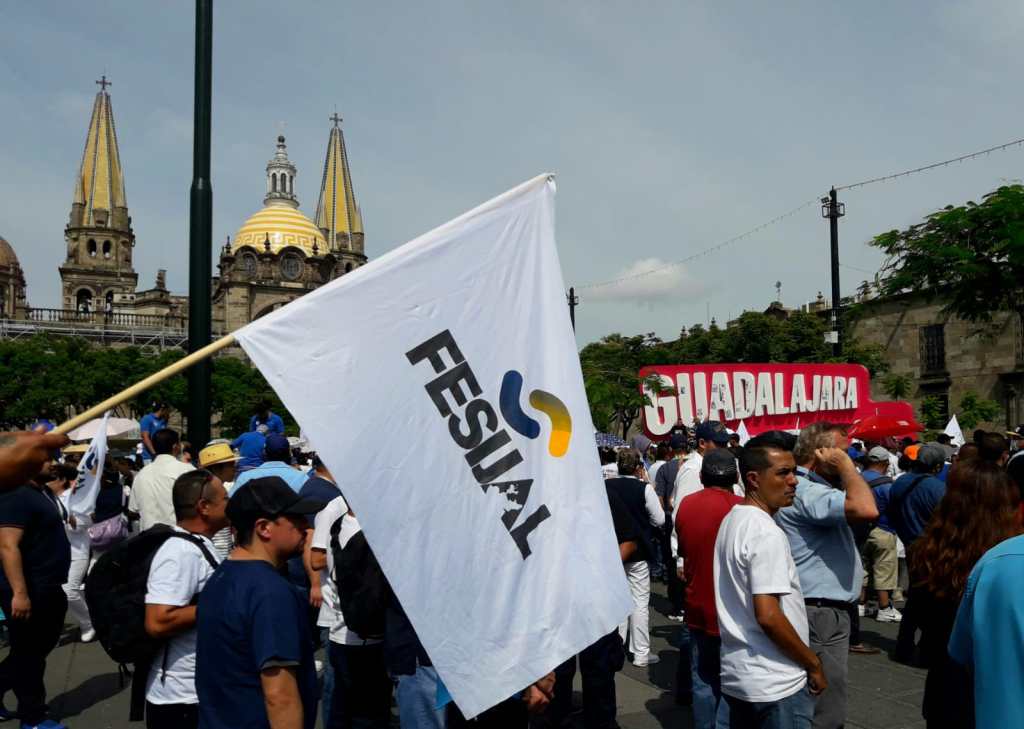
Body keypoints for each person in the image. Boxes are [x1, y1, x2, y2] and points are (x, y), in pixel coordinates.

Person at [195, 476, 322, 729]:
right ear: (264, 528)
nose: (306, 527)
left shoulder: (221, 576)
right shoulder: (271, 592)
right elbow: (280, 696)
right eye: (295, 519)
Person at [715, 439, 825, 728]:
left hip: (741, 675)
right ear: (753, 479)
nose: (793, 481)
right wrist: (813, 663)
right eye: (783, 473)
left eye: (794, 472)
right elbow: (769, 615)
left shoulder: (733, 519)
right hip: (776, 682)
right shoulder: (766, 532)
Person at [775, 422, 877, 729]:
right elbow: (867, 509)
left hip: (818, 609)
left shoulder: (808, 488)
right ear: (822, 455)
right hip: (821, 612)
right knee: (826, 705)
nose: (850, 459)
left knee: (816, 696)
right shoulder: (808, 491)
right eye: (843, 453)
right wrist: (846, 468)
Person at [909, 460, 1020, 729]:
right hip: (993, 683)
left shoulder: (926, 551)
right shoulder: (1005, 559)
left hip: (943, 680)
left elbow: (921, 614)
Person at [143, 470, 228, 729]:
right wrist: (221, 605)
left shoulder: (197, 545)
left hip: (198, 690)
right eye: (225, 498)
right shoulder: (180, 552)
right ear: (204, 507)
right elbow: (158, 621)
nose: (230, 503)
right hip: (180, 700)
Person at [548, 485, 637, 729]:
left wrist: (600, 570)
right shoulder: (542, 493)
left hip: (596, 602)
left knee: (599, 672)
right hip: (555, 602)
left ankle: (600, 721)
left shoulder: (601, 494)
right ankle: (557, 718)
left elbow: (629, 541)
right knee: (557, 673)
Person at [310, 494, 393, 729]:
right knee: (368, 714)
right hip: (367, 637)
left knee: (342, 709)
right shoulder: (371, 528)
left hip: (343, 631)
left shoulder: (339, 524)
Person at [0, 460, 72, 729]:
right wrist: (20, 593)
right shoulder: (15, 494)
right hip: (29, 589)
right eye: (46, 457)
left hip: (49, 586)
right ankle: (32, 717)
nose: (53, 462)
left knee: (32, 651)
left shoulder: (42, 492)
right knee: (29, 656)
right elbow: (8, 546)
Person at [675, 448, 742, 728]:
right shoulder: (744, 509)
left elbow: (684, 548)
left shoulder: (687, 505)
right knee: (733, 683)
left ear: (702, 477)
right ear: (736, 477)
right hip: (734, 612)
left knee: (703, 678)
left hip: (698, 605)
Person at [888, 442, 946, 664]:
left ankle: (904, 645)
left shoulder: (900, 482)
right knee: (932, 600)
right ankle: (926, 649)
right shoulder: (937, 488)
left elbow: (892, 513)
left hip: (910, 544)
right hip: (932, 549)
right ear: (937, 466)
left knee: (915, 598)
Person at [606, 449, 664, 666]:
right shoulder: (643, 488)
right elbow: (659, 519)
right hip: (638, 549)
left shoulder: (606, 486)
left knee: (617, 599)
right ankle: (640, 653)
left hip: (612, 549)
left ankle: (617, 646)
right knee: (639, 602)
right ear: (638, 467)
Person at [44, 463, 95, 642]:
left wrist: (70, 520)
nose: (47, 482)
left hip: (76, 551)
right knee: (60, 592)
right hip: (55, 553)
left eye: (51, 479)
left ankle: (88, 623)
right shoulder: (46, 497)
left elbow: (86, 523)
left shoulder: (75, 497)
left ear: (62, 480)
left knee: (69, 590)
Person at [857, 447, 901, 624]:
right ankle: (884, 608)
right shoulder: (886, 485)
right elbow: (895, 507)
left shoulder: (856, 478)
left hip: (859, 529)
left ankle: (860, 604)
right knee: (884, 569)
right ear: (885, 463)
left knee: (862, 568)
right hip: (883, 528)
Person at [128, 429, 195, 532]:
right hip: (177, 536)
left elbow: (133, 510)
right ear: (175, 446)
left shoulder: (141, 475)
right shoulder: (186, 470)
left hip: (148, 536)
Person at [657, 433, 688, 622]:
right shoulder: (694, 466)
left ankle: (677, 606)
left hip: (671, 520)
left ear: (671, 449)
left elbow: (660, 497)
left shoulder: (665, 468)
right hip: (692, 518)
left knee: (672, 563)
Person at [197, 443, 239, 559]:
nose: (235, 468)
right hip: (214, 552)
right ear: (217, 468)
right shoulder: (203, 493)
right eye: (231, 464)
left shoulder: (227, 488)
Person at [232, 434, 308, 494]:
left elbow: (231, 503)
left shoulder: (245, 477)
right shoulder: (302, 478)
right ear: (289, 454)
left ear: (264, 453)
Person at [0, 430, 70, 492]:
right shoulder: (12, 494)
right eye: (47, 459)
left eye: (55, 459)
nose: (55, 464)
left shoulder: (47, 491)